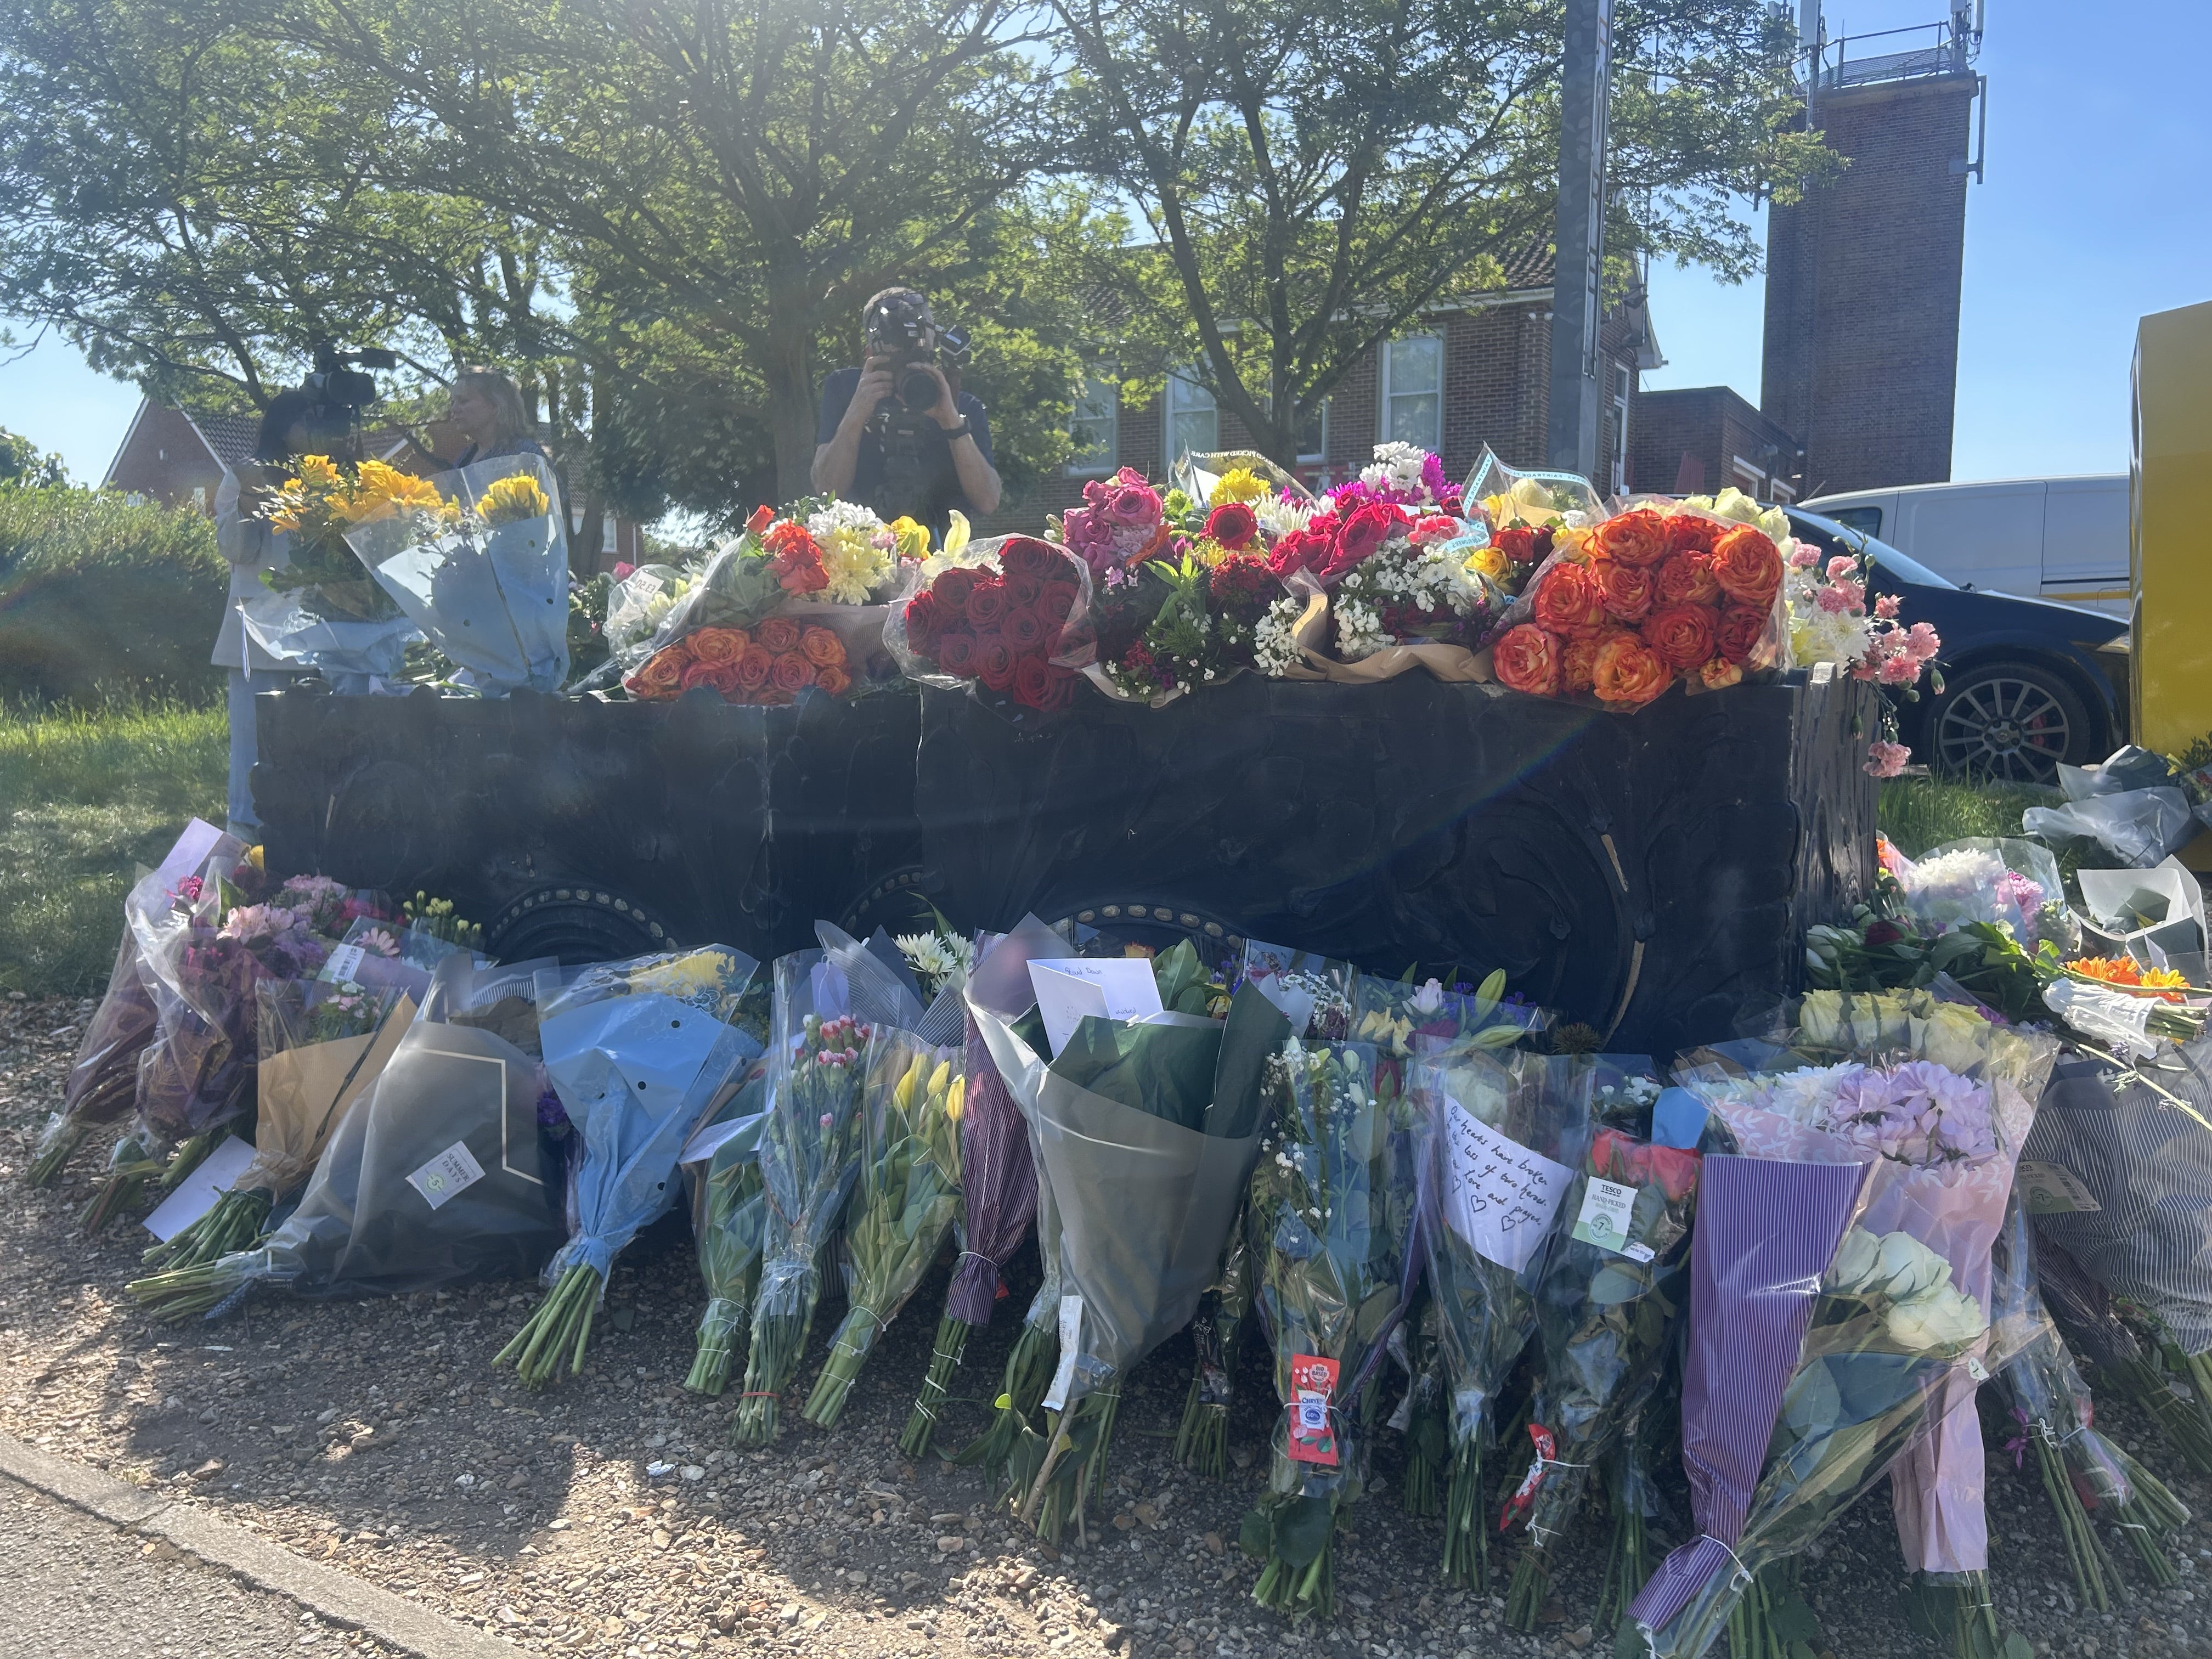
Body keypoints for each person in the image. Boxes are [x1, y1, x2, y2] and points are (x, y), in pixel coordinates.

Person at [813, 287, 1001, 545]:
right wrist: (856, 414)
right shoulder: (846, 390)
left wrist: (951, 422)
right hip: (859, 562)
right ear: (870, 352)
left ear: (934, 340)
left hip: (939, 569)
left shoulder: (961, 404)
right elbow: (825, 489)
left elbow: (989, 501)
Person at [212, 388, 319, 839]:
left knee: (316, 748)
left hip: (320, 635)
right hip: (257, 634)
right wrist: (245, 507)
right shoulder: (246, 475)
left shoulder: (326, 477)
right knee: (253, 751)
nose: (317, 432)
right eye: (308, 421)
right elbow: (234, 550)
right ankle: (247, 850)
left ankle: (308, 843)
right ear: (285, 425)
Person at [444, 368, 545, 468]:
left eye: (463, 401)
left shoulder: (525, 453)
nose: (454, 409)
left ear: (495, 405)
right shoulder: (465, 458)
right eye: (453, 402)